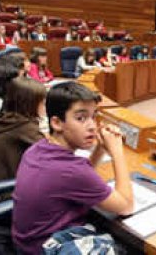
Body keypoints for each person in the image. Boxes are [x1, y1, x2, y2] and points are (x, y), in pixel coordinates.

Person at [12, 82, 134, 254]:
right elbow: (126, 206)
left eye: (94, 116)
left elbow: (81, 178)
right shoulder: (70, 170)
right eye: (81, 118)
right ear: (56, 123)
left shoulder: (38, 148)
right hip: (47, 248)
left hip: (26, 244)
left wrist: (100, 149)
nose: (92, 125)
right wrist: (117, 151)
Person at [0, 77, 46, 181]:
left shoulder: (8, 119)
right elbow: (54, 154)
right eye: (42, 102)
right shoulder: (26, 128)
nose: (45, 106)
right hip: (9, 189)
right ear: (30, 104)